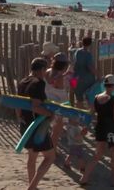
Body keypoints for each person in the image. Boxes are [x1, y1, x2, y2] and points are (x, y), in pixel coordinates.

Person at [80, 74, 114, 186]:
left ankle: (84, 177)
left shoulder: (97, 97)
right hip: (112, 130)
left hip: (100, 128)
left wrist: (85, 126)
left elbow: (90, 113)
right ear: (113, 86)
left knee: (97, 155)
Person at [17, 58, 55, 190]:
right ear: (42, 70)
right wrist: (50, 114)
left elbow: (18, 106)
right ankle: (32, 187)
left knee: (32, 155)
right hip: (37, 125)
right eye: (45, 70)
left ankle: (31, 185)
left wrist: (20, 119)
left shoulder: (22, 82)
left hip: (25, 123)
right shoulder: (39, 83)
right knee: (50, 157)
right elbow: (36, 107)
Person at [45, 53, 71, 148]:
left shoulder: (47, 72)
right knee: (56, 133)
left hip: (48, 103)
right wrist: (74, 78)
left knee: (50, 130)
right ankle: (53, 151)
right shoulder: (60, 78)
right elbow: (71, 87)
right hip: (59, 108)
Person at [73, 37, 96, 109]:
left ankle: (79, 115)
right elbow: (90, 67)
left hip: (75, 78)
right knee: (90, 97)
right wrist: (98, 74)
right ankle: (88, 115)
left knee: (78, 99)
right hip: (85, 80)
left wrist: (72, 45)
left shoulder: (76, 51)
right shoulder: (88, 54)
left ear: (82, 42)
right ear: (90, 44)